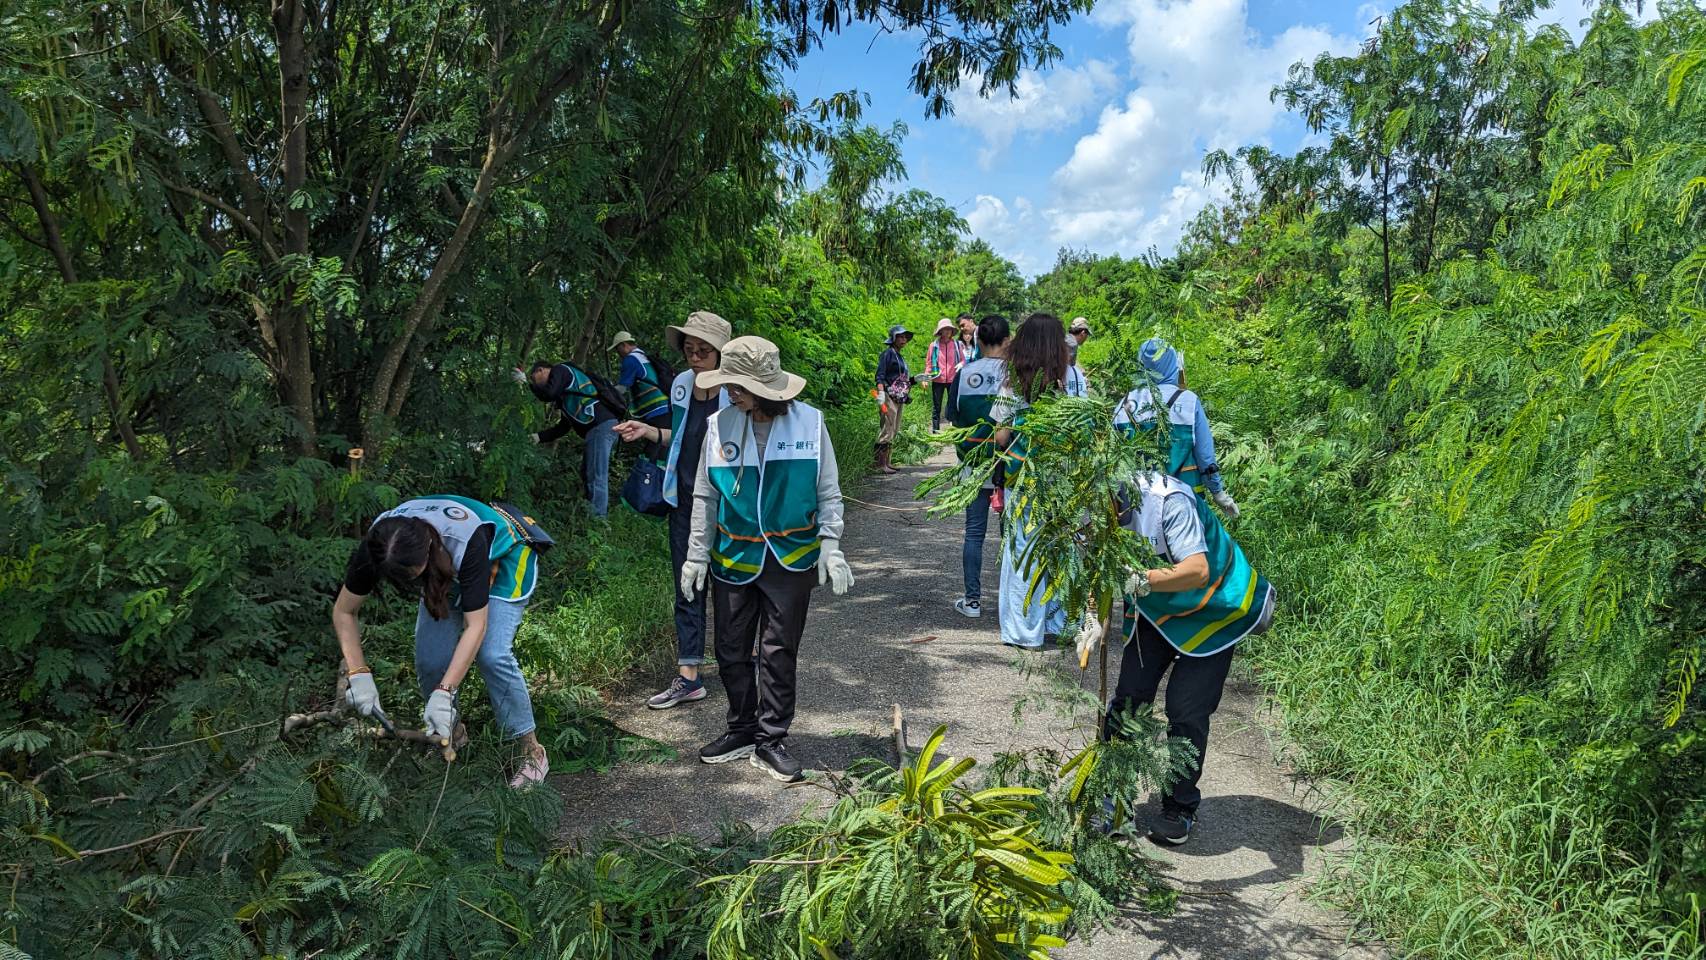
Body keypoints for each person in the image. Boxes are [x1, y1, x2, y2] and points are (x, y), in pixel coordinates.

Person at [680, 336, 854, 783]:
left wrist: (831, 544)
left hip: (791, 557)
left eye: (737, 386)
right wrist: (696, 555)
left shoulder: (811, 424)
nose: (730, 392)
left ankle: (770, 738)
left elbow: (828, 491)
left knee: (778, 651)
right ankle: (740, 729)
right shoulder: (719, 425)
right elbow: (705, 494)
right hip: (734, 556)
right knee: (731, 651)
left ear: (766, 388)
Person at [1102, 470, 1274, 845]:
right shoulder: (1091, 507)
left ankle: (1180, 806)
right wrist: (1092, 620)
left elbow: (1197, 570)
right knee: (1130, 697)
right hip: (1160, 608)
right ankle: (1113, 796)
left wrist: (1141, 580)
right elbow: (1095, 569)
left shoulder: (1168, 503)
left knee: (1186, 708)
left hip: (1216, 606)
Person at [331, 495, 551, 788]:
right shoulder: (380, 545)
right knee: (430, 659)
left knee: (492, 654)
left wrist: (445, 692)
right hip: (444, 571)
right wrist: (359, 673)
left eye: (412, 575)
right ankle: (452, 736)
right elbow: (344, 611)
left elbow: (476, 626)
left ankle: (531, 750)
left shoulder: (466, 538)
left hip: (505, 556)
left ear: (427, 550)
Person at [614, 312, 732, 710]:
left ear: (720, 354)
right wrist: (648, 432)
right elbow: (681, 437)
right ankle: (689, 676)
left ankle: (738, 668)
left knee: (732, 587)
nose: (694, 357)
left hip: (728, 504)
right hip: (683, 499)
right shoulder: (681, 385)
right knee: (687, 584)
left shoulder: (735, 390)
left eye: (703, 351)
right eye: (689, 350)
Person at [993, 313, 1071, 649]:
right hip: (1062, 482)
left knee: (1023, 551)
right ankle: (1059, 621)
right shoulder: (1070, 382)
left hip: (1022, 480)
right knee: (1058, 549)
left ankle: (1024, 631)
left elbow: (1000, 436)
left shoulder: (1011, 383)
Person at [1112, 338, 1240, 518]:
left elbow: (1114, 459)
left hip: (1140, 504)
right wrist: (1218, 493)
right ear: (1172, 362)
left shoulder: (1123, 404)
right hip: (1186, 499)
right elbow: (1205, 455)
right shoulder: (1188, 400)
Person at [947, 314, 1010, 619]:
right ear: (1007, 341)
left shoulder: (964, 373)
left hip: (972, 465)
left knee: (974, 535)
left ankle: (972, 602)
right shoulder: (1017, 375)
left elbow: (953, 418)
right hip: (1010, 468)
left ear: (979, 341)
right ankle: (1012, 604)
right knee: (1011, 537)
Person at [522, 360, 621, 517]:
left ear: (541, 370)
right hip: (597, 429)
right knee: (588, 473)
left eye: (534, 379)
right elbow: (563, 427)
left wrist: (527, 385)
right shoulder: (566, 396)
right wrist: (538, 437)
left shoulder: (561, 369)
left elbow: (548, 393)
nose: (537, 384)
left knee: (596, 474)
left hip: (600, 426)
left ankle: (598, 521)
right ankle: (588, 514)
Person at [609, 331, 672, 428]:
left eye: (618, 349)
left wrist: (605, 391)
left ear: (624, 345)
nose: (618, 353)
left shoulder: (630, 360)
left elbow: (622, 389)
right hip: (666, 405)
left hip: (655, 409)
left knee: (657, 441)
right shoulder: (643, 356)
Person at [874, 324, 913, 475]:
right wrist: (881, 393)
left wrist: (914, 380)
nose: (903, 339)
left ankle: (887, 462)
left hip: (898, 397)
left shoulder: (899, 356)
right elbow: (880, 375)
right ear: (893, 338)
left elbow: (900, 379)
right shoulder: (887, 354)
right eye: (900, 336)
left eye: (905, 337)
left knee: (894, 429)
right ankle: (879, 464)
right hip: (888, 396)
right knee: (887, 428)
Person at [925, 318, 969, 432]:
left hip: (953, 379)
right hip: (937, 379)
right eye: (945, 329)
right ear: (941, 331)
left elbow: (964, 360)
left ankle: (953, 429)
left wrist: (961, 363)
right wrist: (925, 378)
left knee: (953, 404)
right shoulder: (933, 345)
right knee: (936, 407)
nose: (948, 331)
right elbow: (929, 363)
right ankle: (935, 431)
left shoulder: (957, 344)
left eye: (949, 329)